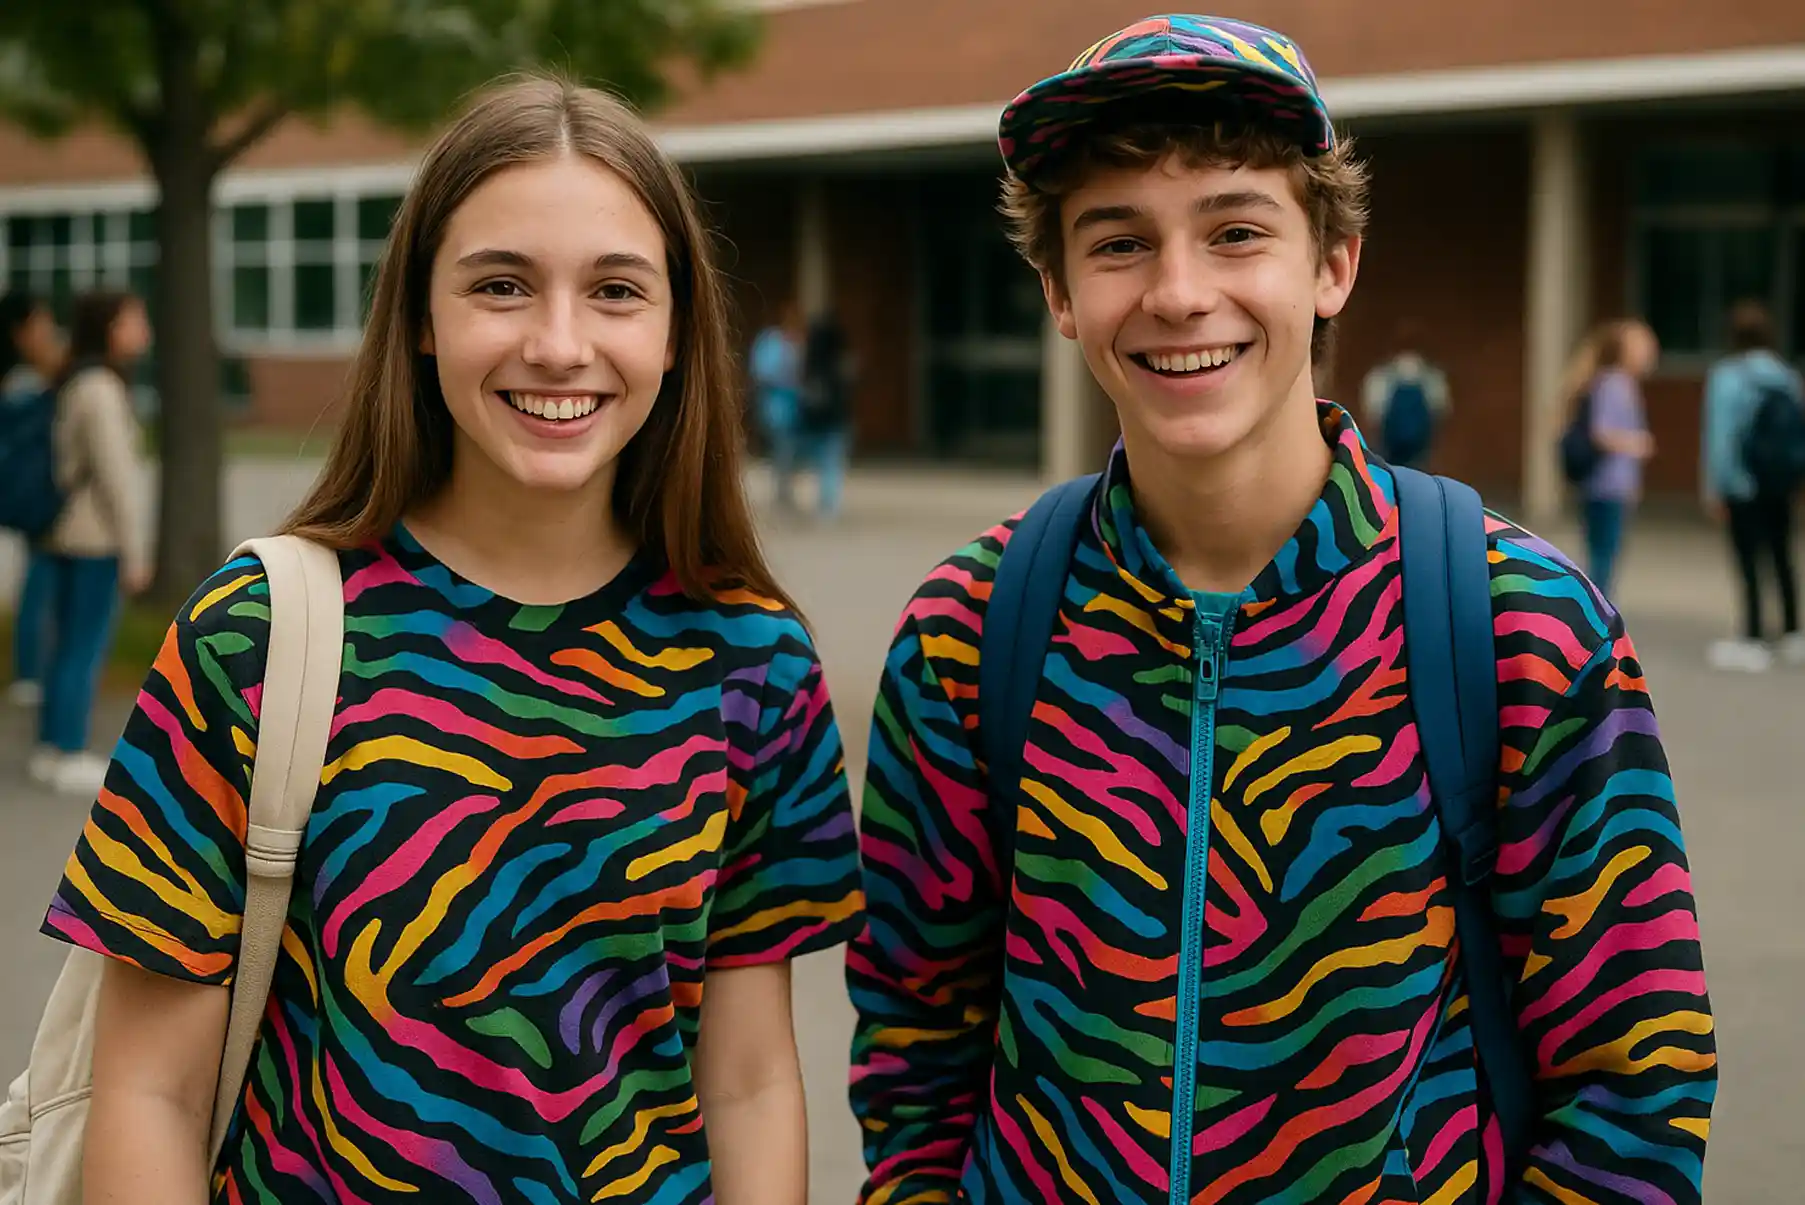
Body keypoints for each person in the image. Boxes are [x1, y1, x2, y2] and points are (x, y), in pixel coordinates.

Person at [847, 14, 1713, 1205]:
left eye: (1235, 230)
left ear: (1332, 263)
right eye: (1117, 243)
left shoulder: (1519, 624)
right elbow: (914, 1041)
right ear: (1054, 289)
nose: (1178, 292)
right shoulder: (970, 629)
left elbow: (1633, 1078)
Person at [41, 75, 862, 1203]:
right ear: (422, 319)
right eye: (501, 285)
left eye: (616, 289)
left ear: (676, 332)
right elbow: (150, 1092)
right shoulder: (258, 636)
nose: (559, 342)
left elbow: (753, 1080)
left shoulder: (755, 665)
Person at [29, 289, 151, 796]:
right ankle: (71, 749)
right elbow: (116, 478)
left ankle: (51, 748)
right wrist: (137, 551)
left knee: (65, 645)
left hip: (62, 535)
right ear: (110, 327)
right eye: (134, 319)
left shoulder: (76, 380)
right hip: (93, 539)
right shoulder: (100, 387)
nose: (144, 328)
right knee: (84, 644)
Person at [1701, 300, 1804, 672]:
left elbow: (1720, 436)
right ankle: (1793, 631)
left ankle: (1754, 635)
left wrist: (1715, 486)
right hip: (1779, 483)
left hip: (1742, 484)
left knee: (1748, 561)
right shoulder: (1785, 375)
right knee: (1782, 557)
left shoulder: (1727, 376)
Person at [0, 290, 65, 707]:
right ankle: (29, 671)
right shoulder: (25, 380)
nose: (50, 332)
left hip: (26, 494)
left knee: (39, 575)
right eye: (41, 323)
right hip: (35, 496)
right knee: (41, 575)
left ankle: (30, 669)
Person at [1571, 319, 1659, 599]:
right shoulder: (1615, 384)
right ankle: (1598, 616)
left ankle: (1597, 610)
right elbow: (1602, 433)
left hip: (1607, 484)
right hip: (1607, 484)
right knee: (1603, 555)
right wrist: (1637, 443)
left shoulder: (1613, 382)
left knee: (1601, 551)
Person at [1361, 316, 1450, 469]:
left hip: (1388, 453)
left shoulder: (1379, 377)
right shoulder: (1432, 377)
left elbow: (1372, 417)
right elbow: (1441, 413)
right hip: (1420, 454)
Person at [795, 309, 854, 521]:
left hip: (815, 420)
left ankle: (825, 503)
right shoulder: (838, 362)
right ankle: (829, 504)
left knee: (821, 463)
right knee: (831, 463)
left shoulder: (810, 364)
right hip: (835, 419)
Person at [749, 299, 804, 511]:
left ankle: (785, 489)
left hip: (797, 405)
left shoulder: (799, 342)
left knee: (789, 449)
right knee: (783, 446)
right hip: (777, 404)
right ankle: (783, 492)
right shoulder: (771, 341)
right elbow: (761, 371)